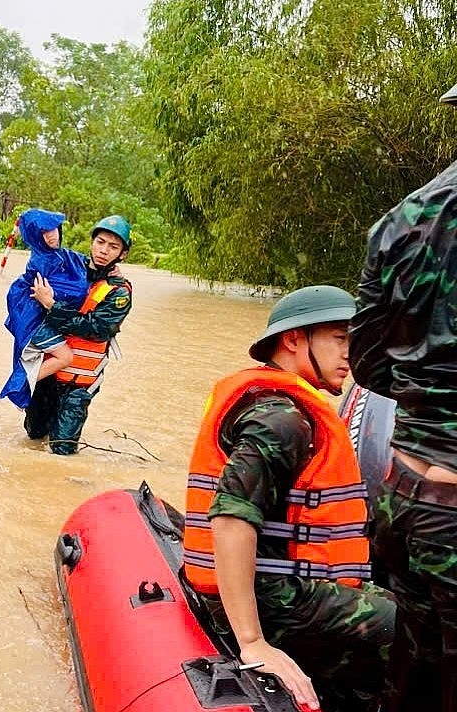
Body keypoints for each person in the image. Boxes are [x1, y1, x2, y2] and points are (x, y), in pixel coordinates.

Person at [183, 285, 396, 712]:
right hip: (275, 597)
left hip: (285, 583)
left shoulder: (281, 405)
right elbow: (229, 519)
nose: (350, 355)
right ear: (294, 339)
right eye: (339, 339)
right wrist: (252, 641)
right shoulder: (281, 420)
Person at [349, 81, 457, 712]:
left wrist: (425, 398)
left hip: (403, 499)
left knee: (409, 679)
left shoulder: (399, 222)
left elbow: (366, 361)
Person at [22, 215, 133, 454]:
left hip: (79, 385)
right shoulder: (69, 267)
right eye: (100, 242)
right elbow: (42, 256)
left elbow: (95, 329)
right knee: (33, 436)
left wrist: (52, 306)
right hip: (49, 376)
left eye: (113, 247)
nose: (104, 250)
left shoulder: (119, 292)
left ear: (123, 254)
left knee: (62, 451)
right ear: (92, 242)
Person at [0, 208, 89, 408]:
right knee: (66, 356)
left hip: (39, 320)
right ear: (35, 237)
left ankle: (25, 384)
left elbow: (81, 263)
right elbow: (62, 291)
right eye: (44, 233)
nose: (51, 236)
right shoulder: (40, 262)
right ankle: (21, 385)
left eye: (53, 229)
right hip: (35, 323)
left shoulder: (59, 256)